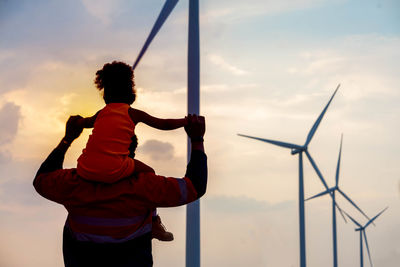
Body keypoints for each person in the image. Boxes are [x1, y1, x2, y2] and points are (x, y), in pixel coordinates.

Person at [33, 114, 206, 267]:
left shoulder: (74, 184)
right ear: (130, 153)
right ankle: (153, 221)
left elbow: (42, 178)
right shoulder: (143, 185)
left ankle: (153, 221)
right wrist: (197, 140)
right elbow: (195, 186)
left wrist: (67, 139)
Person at [76, 61, 187, 241]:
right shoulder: (132, 114)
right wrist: (186, 122)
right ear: (130, 90)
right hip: (113, 167)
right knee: (149, 172)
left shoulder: (101, 113)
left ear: (105, 92)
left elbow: (85, 122)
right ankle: (154, 222)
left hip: (85, 167)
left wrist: (78, 121)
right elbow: (163, 124)